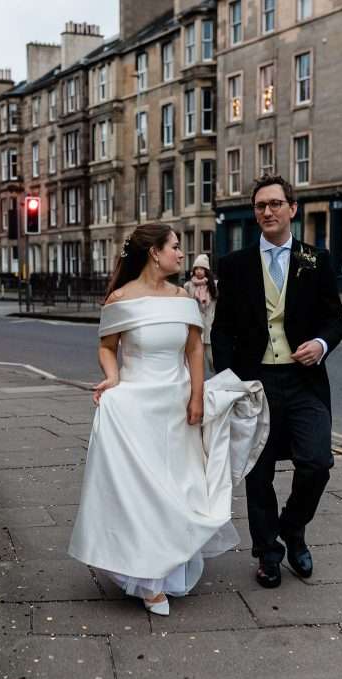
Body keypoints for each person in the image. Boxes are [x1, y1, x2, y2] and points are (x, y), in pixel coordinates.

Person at [68, 224, 267, 616]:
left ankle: (167, 561)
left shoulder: (183, 298)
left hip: (178, 405)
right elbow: (107, 348)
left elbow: (195, 348)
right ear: (154, 253)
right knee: (144, 494)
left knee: (182, 488)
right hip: (136, 406)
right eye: (175, 247)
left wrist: (197, 395)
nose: (182, 253)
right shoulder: (120, 299)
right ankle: (148, 581)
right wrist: (113, 377)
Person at [211, 174, 342, 589]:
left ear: (292, 208)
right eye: (259, 206)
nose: (266, 212)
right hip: (256, 383)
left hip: (304, 381)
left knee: (317, 463)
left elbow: (335, 318)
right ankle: (268, 553)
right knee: (259, 472)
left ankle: (293, 527)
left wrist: (321, 344)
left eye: (274, 204)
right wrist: (233, 380)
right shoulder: (234, 265)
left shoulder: (316, 259)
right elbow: (222, 330)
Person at [183, 254, 218, 372]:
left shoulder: (214, 285)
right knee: (195, 361)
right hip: (194, 326)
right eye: (196, 268)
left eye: (201, 268)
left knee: (212, 359)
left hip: (210, 325)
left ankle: (217, 380)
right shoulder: (188, 286)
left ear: (206, 271)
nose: (198, 271)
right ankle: (197, 385)